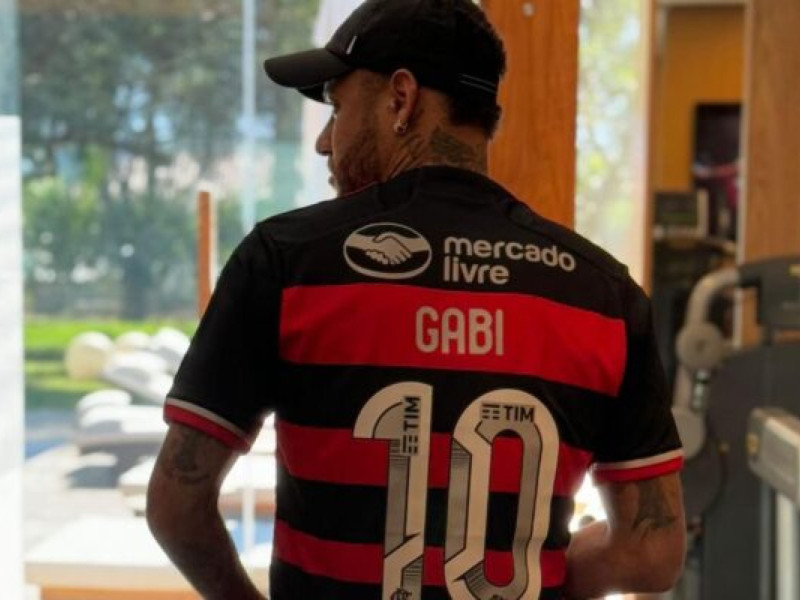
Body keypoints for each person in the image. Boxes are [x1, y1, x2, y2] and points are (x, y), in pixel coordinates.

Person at [146, 0, 686, 598]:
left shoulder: (288, 262)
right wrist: (537, 575)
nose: (324, 142)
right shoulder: (602, 295)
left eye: (336, 108)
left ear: (400, 98)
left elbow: (177, 504)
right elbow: (651, 554)